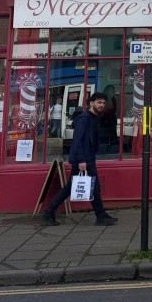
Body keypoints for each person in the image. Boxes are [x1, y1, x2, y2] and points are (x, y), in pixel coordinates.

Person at [42, 92, 118, 226]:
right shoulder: (85, 119)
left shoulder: (94, 118)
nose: (102, 105)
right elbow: (77, 141)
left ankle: (101, 215)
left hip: (88, 157)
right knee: (72, 188)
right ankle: (49, 212)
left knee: (93, 187)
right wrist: (82, 160)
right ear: (91, 103)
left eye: (103, 103)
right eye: (99, 102)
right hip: (83, 159)